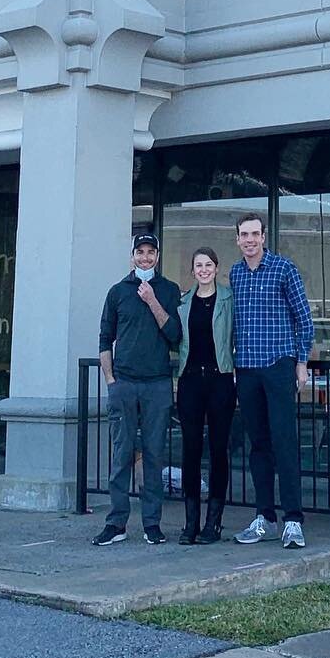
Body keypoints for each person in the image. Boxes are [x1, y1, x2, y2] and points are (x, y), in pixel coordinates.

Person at [229, 212, 315, 549]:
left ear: (264, 236)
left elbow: (303, 319)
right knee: (258, 446)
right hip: (247, 369)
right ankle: (264, 516)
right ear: (237, 240)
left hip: (279, 365)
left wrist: (301, 363)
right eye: (243, 235)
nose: (249, 240)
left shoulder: (283, 269)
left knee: (284, 443)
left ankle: (293, 519)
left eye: (254, 234)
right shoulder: (235, 274)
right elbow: (234, 324)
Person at [93, 231, 182, 547]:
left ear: (157, 256)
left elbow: (174, 335)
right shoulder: (117, 292)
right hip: (125, 384)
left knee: (155, 456)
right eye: (140, 252)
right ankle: (116, 523)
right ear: (132, 256)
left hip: (157, 384)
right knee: (121, 456)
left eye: (151, 253)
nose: (145, 258)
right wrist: (110, 382)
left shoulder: (169, 290)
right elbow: (105, 338)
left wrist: (152, 301)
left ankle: (152, 524)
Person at [173, 246, 236, 545]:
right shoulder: (183, 303)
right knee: (190, 451)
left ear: (216, 267)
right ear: (193, 270)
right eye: (198, 265)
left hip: (220, 380)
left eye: (208, 264)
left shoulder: (228, 299)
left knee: (218, 450)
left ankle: (214, 523)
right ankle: (190, 524)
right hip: (190, 382)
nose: (203, 270)